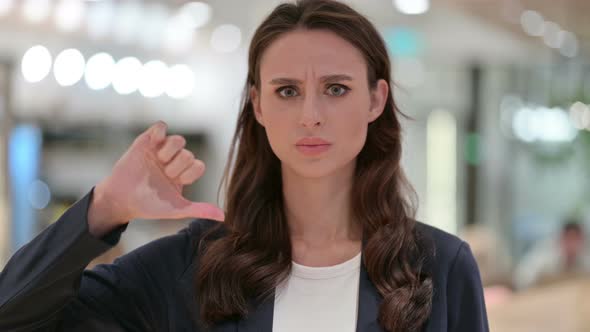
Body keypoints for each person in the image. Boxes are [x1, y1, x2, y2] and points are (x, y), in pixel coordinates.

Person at [0, 1, 489, 331]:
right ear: (257, 105)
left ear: (375, 99)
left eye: (336, 89)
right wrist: (104, 207)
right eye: (287, 91)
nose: (311, 114)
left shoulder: (439, 267)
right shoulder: (193, 267)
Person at [514, 219, 590, 290]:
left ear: (582, 241)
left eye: (575, 239)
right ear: (561, 239)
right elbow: (521, 278)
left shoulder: (585, 260)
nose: (572, 245)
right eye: (569, 239)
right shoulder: (545, 256)